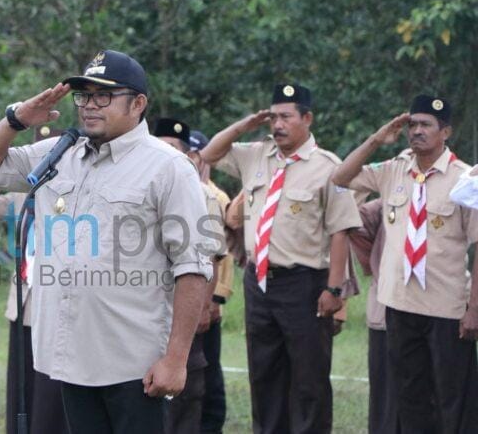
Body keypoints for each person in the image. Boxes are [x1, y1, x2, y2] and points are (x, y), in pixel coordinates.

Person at [0, 49, 216, 434]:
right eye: (83, 96)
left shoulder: (169, 168)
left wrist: (176, 359)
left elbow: (193, 267)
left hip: (133, 362)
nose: (88, 106)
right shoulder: (58, 153)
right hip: (71, 355)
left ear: (138, 104)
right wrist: (15, 120)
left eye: (103, 95)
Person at [200, 83, 361, 433]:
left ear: (307, 118)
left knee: (309, 381)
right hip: (259, 283)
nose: (277, 125)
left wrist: (335, 289)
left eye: (286, 117)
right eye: (273, 117)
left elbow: (340, 231)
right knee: (264, 374)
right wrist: (244, 125)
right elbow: (210, 154)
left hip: (304, 283)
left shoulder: (328, 167)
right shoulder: (256, 154)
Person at [331, 94, 478, 433]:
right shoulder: (394, 169)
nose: (417, 131)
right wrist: (375, 140)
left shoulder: (464, 178)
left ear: (446, 132)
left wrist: (474, 308)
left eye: (426, 125)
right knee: (410, 395)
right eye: (412, 124)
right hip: (399, 305)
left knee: (453, 398)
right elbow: (341, 177)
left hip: (447, 309)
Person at [0, 126, 69, 434]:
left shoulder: (71, 192)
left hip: (56, 306)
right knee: (21, 386)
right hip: (22, 304)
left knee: (50, 392)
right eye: (39, 150)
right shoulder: (20, 195)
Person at [152, 119, 227, 434]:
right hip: (144, 309)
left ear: (189, 157)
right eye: (160, 147)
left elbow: (209, 257)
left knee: (185, 392)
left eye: (173, 148)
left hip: (181, 305)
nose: (165, 154)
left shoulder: (200, 193)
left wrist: (203, 307)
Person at [187, 129, 234, 434]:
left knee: (207, 370)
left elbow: (223, 256)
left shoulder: (215, 197)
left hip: (208, 297)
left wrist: (215, 298)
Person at [348, 198, 398, 433]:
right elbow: (353, 220)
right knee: (386, 397)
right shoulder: (387, 200)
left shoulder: (456, 184)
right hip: (386, 310)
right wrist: (375, 265)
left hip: (438, 309)